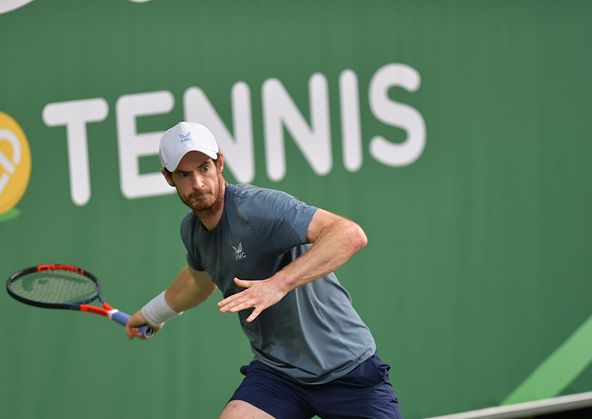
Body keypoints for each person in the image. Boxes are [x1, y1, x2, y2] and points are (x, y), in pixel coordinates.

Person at [126, 121, 401, 418]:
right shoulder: (192, 231)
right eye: (184, 174)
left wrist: (278, 284)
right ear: (169, 178)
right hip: (279, 375)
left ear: (219, 163)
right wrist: (152, 314)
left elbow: (348, 235)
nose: (198, 184)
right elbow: (198, 283)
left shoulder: (259, 209)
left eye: (204, 167)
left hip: (346, 370)